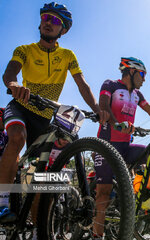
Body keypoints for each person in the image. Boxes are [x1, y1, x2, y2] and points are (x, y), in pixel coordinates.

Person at [0, 2, 108, 223]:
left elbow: (82, 84)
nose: (48, 22)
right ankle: (1, 201)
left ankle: (37, 230)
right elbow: (10, 71)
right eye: (45, 18)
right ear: (40, 23)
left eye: (55, 20)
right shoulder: (24, 49)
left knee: (40, 179)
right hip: (21, 107)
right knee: (17, 138)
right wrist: (13, 84)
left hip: (44, 115)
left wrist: (97, 109)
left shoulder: (68, 55)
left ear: (64, 29)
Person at [94, 57, 150, 238]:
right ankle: (98, 235)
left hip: (125, 147)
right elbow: (103, 105)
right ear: (131, 71)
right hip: (106, 145)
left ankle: (147, 197)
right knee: (103, 193)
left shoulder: (137, 95)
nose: (144, 79)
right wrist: (117, 123)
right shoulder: (111, 85)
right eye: (142, 74)